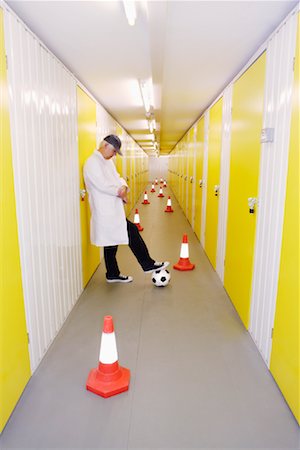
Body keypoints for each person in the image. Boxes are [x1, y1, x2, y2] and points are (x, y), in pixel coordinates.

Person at [83, 135, 169, 283]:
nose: (114, 154)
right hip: (105, 210)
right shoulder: (92, 163)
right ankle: (147, 263)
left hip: (113, 209)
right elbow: (102, 185)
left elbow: (118, 178)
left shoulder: (107, 162)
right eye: (114, 151)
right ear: (104, 146)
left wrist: (123, 186)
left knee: (111, 242)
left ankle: (112, 274)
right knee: (131, 231)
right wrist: (119, 191)